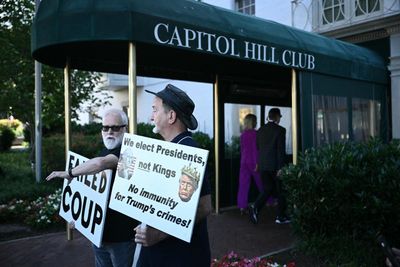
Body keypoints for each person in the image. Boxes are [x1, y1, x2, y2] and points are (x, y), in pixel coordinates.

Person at [46, 108, 139, 267]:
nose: (109, 131)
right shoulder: (106, 149)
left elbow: (99, 164)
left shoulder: (129, 151)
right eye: (105, 127)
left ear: (125, 129)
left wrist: (69, 173)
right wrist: (80, 218)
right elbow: (91, 191)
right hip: (100, 235)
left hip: (121, 237)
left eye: (115, 128)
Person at [134, 84, 212, 267]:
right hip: (161, 254)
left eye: (155, 110)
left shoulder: (189, 151)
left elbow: (204, 206)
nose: (151, 116)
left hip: (180, 256)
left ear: (171, 116)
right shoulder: (170, 148)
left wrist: (158, 233)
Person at [249, 107, 290, 224]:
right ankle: (281, 216)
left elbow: (258, 148)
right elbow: (280, 150)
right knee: (281, 191)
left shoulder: (260, 130)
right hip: (275, 166)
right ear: (277, 117)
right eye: (280, 117)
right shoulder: (280, 130)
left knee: (267, 189)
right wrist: (281, 167)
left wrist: (258, 163)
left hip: (263, 165)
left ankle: (255, 207)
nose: (280, 119)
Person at [236, 114, 264, 215]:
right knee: (261, 182)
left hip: (244, 162)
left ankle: (242, 207)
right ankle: (269, 201)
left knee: (243, 185)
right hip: (253, 161)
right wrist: (257, 163)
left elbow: (243, 149)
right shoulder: (256, 134)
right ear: (254, 122)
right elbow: (256, 150)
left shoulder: (243, 135)